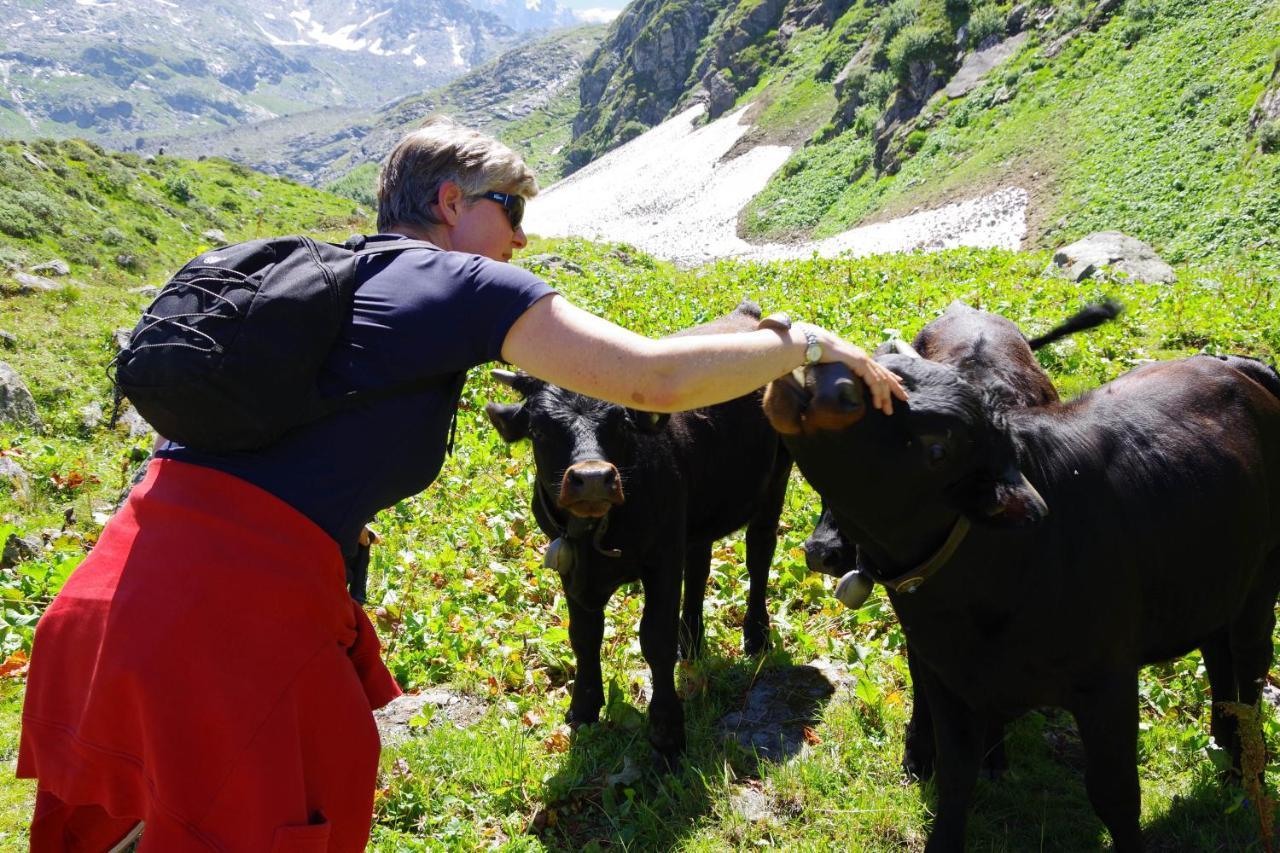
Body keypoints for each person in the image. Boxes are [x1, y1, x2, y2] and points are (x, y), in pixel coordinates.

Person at [17, 115, 906, 852]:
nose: (521, 236)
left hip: (112, 598)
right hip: (222, 632)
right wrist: (812, 343)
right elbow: (653, 381)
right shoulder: (462, 283)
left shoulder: (335, 285)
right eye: (512, 209)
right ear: (451, 203)